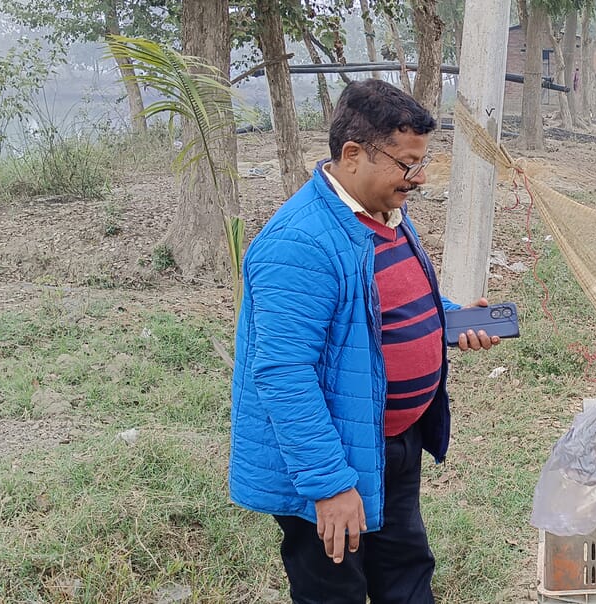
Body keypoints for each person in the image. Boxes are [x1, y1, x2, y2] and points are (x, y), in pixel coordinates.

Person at [229, 79, 501, 604]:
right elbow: (284, 374)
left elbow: (388, 307)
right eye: (407, 165)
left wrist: (446, 319)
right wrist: (330, 486)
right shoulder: (298, 243)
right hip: (333, 459)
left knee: (406, 573)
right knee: (336, 591)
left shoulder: (387, 216)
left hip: (392, 445)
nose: (417, 179)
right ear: (352, 155)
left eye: (420, 163)